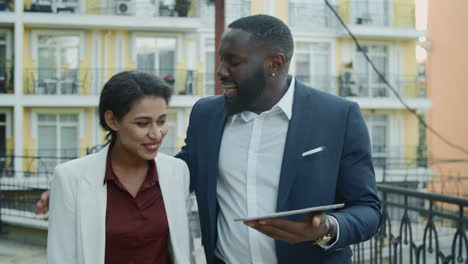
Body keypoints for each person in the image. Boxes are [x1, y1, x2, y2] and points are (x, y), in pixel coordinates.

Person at [38, 14, 381, 264]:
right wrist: (83, 183)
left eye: (233, 62)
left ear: (275, 63)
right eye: (220, 60)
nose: (220, 72)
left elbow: (367, 209)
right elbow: (180, 170)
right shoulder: (207, 114)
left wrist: (325, 229)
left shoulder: (338, 116)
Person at [46, 71, 192, 264]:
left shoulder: (177, 172)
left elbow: (184, 251)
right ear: (112, 120)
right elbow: (61, 257)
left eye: (162, 121)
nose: (157, 134)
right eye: (143, 123)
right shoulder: (70, 178)